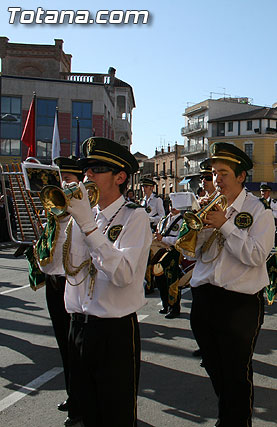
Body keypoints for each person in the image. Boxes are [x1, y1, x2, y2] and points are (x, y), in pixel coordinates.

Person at [55, 137, 151, 427]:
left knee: (116, 415)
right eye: (86, 170)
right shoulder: (83, 215)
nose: (87, 177)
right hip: (78, 325)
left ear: (120, 176)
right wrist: (58, 224)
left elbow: (123, 275)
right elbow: (56, 267)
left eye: (96, 169)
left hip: (114, 330)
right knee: (86, 413)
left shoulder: (136, 217)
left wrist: (87, 226)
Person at [187, 142, 275, 426]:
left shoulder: (259, 211)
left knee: (236, 373)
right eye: (214, 174)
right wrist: (196, 228)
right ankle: (229, 416)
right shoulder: (210, 206)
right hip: (204, 297)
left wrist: (225, 224)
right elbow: (195, 252)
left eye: (224, 173)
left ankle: (234, 421)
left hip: (239, 303)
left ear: (241, 176)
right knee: (214, 367)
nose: (217, 180)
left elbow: (257, 255)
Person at [37, 155, 84, 426]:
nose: (64, 183)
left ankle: (82, 402)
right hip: (54, 284)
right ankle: (73, 395)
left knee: (78, 347)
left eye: (69, 179)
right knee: (64, 347)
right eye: (62, 178)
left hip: (73, 285)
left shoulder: (83, 214)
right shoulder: (54, 214)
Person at [153, 202, 184, 318]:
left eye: (176, 204)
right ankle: (165, 304)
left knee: (172, 280)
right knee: (160, 278)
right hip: (161, 251)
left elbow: (179, 239)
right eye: (171, 204)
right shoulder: (164, 219)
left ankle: (174, 308)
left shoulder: (183, 221)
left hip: (174, 252)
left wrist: (163, 239)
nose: (173, 207)